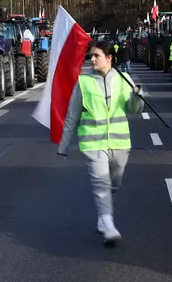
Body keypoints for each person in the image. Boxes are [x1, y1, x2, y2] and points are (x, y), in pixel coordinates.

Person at [57, 40, 144, 245]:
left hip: (120, 142)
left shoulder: (124, 79)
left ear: (109, 58)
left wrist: (137, 96)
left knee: (114, 183)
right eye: (91, 56)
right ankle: (109, 225)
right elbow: (72, 116)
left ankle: (102, 217)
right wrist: (64, 145)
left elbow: (134, 109)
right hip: (92, 143)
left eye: (96, 55)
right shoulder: (84, 82)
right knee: (101, 183)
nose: (92, 59)